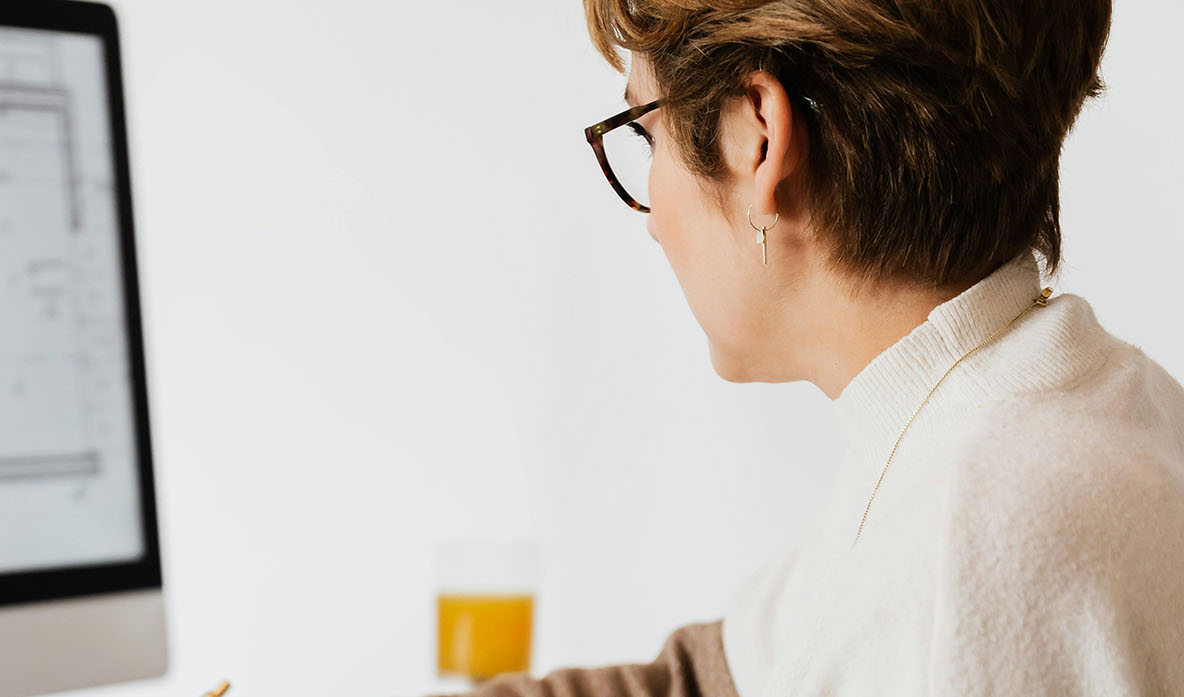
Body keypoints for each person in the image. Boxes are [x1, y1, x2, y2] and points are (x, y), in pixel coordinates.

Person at [453, 0, 1184, 695]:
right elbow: (707, 680)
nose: (653, 219)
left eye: (648, 134)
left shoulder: (985, 538)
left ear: (757, 136)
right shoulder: (1011, 414)